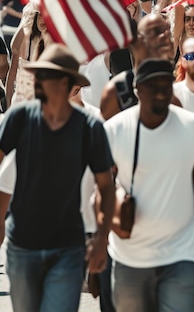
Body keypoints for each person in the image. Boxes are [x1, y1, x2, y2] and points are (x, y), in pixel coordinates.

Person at [0, 44, 115, 312]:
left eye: (46, 76)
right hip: (22, 246)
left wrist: (101, 241)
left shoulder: (90, 127)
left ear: (67, 83)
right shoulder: (19, 117)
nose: (38, 82)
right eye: (37, 75)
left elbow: (106, 187)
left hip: (68, 248)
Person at [104, 59, 194, 312]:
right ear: (137, 90)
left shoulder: (191, 126)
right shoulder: (113, 129)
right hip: (128, 258)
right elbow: (100, 190)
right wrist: (98, 249)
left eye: (165, 85)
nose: (160, 92)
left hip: (181, 255)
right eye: (151, 86)